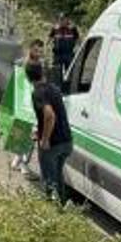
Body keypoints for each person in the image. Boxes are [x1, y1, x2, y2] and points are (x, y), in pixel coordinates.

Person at [26, 61, 73, 205]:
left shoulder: (38, 92)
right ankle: (62, 206)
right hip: (66, 141)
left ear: (28, 77)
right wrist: (39, 131)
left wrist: (45, 139)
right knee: (58, 176)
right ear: (42, 72)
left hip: (52, 144)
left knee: (49, 181)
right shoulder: (54, 88)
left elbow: (50, 115)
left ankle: (51, 208)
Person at [12, 39, 46, 175]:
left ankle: (21, 161)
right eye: (36, 50)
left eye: (41, 51)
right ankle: (21, 161)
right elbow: (17, 83)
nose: (39, 53)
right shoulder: (20, 63)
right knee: (24, 132)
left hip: (35, 100)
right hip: (24, 101)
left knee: (32, 134)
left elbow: (43, 81)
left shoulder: (41, 63)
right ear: (30, 48)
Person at [50, 17, 79, 89]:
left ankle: (69, 88)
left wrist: (77, 48)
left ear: (67, 20)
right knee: (57, 73)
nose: (62, 21)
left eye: (64, 19)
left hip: (69, 53)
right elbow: (50, 39)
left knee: (70, 72)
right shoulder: (55, 29)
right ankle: (58, 88)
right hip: (57, 54)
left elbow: (78, 39)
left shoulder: (73, 29)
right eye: (61, 19)